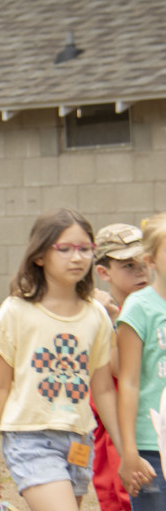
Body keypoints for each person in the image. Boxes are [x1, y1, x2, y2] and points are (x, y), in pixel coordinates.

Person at [0, 208, 151, 511]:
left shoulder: (96, 315)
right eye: (65, 249)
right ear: (39, 256)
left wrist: (126, 451)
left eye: (85, 249)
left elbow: (103, 390)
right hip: (29, 438)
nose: (77, 257)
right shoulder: (16, 311)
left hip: (79, 442)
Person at [91, 223, 147, 511]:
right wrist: (111, 319)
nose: (141, 272)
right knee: (116, 497)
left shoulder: (154, 310)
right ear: (104, 273)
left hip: (145, 424)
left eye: (144, 262)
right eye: (128, 265)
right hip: (111, 426)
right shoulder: (97, 314)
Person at [117, 214, 166, 511]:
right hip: (151, 448)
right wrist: (129, 451)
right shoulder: (139, 307)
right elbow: (129, 382)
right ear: (151, 261)